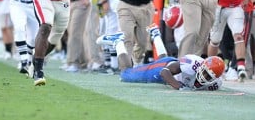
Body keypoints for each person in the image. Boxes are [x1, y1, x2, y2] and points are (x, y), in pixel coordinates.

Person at [96, 29, 225, 91]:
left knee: (164, 59)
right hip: (165, 69)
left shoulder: (215, 84)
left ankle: (156, 35)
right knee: (125, 74)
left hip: (173, 68)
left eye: (208, 76)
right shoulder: (192, 64)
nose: (204, 76)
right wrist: (177, 86)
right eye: (205, 72)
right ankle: (118, 41)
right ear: (202, 65)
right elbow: (164, 72)